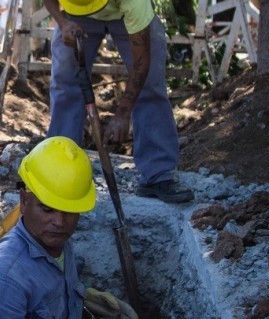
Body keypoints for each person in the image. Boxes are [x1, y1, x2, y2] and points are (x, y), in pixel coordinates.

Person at [0, 136, 138, 319]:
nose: (60, 222)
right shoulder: (3, 282)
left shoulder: (54, 242)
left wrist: (83, 299)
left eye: (70, 211)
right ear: (24, 201)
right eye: (48, 210)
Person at [43, 0, 195, 204]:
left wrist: (123, 115)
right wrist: (63, 23)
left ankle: (157, 175)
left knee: (150, 85)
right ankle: (59, 171)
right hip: (75, 14)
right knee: (65, 84)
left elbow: (142, 64)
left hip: (126, 14)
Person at [0, 0, 23, 66]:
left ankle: (13, 68)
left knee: (16, 51)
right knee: (1, 49)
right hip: (4, 28)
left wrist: (18, 9)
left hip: (18, 29)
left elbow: (28, 13)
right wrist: (7, 8)